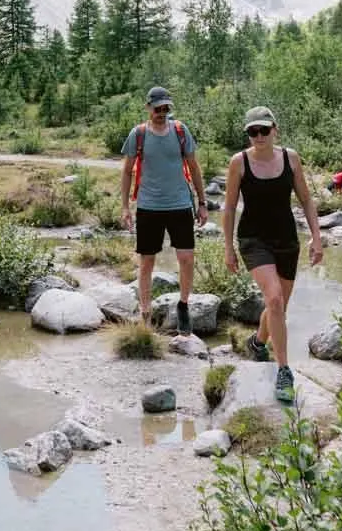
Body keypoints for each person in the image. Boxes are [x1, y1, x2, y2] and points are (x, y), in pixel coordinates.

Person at [221, 105, 324, 405]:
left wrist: (317, 238)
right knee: (275, 299)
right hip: (254, 239)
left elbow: (306, 199)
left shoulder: (291, 158)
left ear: (275, 129)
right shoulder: (238, 163)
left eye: (264, 130)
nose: (259, 136)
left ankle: (257, 342)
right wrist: (228, 247)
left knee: (278, 306)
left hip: (286, 240)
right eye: (253, 131)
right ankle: (284, 371)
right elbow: (228, 208)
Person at [120, 86, 207, 333]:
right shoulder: (138, 134)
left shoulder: (180, 131)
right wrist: (125, 207)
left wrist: (202, 203)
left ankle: (183, 305)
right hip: (148, 206)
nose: (162, 112)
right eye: (158, 108)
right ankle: (145, 312)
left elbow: (194, 166)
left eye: (166, 108)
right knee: (147, 261)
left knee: (186, 258)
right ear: (148, 108)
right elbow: (127, 171)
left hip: (180, 203)